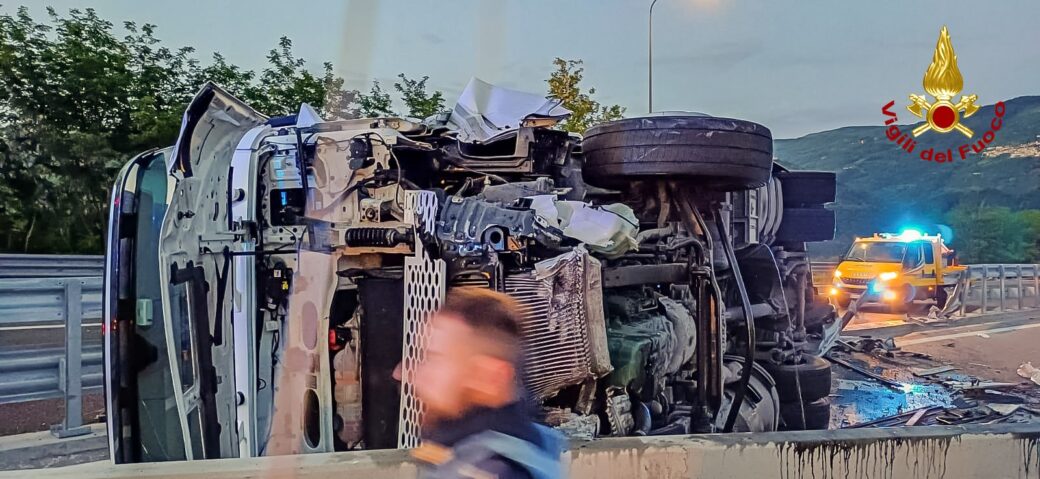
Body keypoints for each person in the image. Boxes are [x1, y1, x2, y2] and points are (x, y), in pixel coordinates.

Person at [408, 288, 563, 479]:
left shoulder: (495, 470)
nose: (420, 375)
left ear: (491, 375)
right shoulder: (465, 455)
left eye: (436, 358)